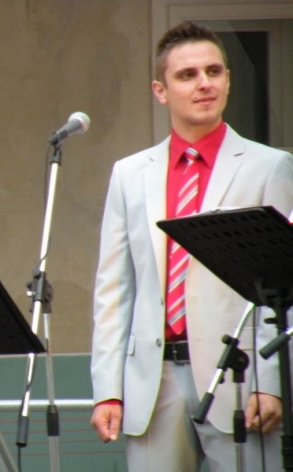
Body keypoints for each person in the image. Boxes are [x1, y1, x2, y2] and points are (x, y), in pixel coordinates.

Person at [90, 21, 293, 472]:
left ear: (228, 80)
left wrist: (272, 382)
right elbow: (113, 290)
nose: (204, 83)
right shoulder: (130, 174)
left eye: (213, 71)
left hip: (240, 379)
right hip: (152, 381)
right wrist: (108, 389)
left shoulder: (270, 167)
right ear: (160, 91)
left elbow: (282, 288)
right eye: (187, 75)